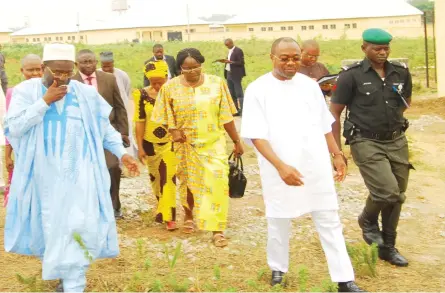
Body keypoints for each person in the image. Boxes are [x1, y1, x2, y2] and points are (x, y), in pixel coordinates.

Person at [3, 43, 140, 292]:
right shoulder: (26, 92)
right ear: (44, 68)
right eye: (57, 72)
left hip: (81, 173)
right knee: (51, 224)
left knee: (79, 223)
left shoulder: (84, 94)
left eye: (67, 72)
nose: (63, 78)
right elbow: (13, 128)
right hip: (43, 175)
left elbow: (105, 129)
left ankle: (75, 282)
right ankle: (63, 273)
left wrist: (123, 154)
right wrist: (44, 102)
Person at [240, 37, 364, 292]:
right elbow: (255, 135)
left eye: (295, 57)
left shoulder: (309, 86)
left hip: (315, 164)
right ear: (272, 57)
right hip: (279, 167)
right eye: (284, 58)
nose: (290, 63)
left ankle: (344, 279)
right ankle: (278, 268)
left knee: (329, 217)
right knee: (279, 219)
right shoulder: (257, 89)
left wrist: (337, 154)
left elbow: (324, 124)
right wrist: (280, 166)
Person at [330, 28, 412, 267]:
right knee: (388, 191)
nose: (382, 52)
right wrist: (337, 152)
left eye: (386, 47)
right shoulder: (350, 76)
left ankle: (388, 246)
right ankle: (367, 220)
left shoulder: (401, 73)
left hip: (396, 139)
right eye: (377, 48)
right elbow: (334, 113)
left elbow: (404, 104)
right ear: (364, 48)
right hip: (365, 140)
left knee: (398, 196)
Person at [152, 48, 244, 247]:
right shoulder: (170, 88)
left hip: (213, 142)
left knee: (217, 182)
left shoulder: (217, 84)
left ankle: (217, 229)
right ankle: (189, 215)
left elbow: (226, 116)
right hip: (185, 145)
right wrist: (173, 130)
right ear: (179, 69)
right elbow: (163, 116)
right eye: (187, 68)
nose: (192, 71)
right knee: (188, 182)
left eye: (196, 67)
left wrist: (236, 140)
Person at [72, 49, 129, 219]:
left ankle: (114, 205)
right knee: (85, 171)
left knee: (112, 167)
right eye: (84, 62)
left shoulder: (108, 79)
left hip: (108, 132)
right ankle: (91, 207)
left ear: (96, 62)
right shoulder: (71, 82)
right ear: (77, 64)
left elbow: (119, 106)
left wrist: (123, 132)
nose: (88, 65)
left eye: (91, 61)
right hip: (81, 134)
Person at [133, 60, 179, 230]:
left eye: (161, 82)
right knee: (155, 178)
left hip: (169, 143)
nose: (158, 86)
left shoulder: (174, 94)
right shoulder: (141, 95)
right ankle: (162, 207)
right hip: (149, 143)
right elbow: (139, 121)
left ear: (168, 77)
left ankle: (169, 217)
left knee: (168, 179)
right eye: (154, 83)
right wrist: (140, 146)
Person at [3, 54, 43, 207]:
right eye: (30, 70)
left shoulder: (48, 90)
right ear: (22, 70)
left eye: (38, 69)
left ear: (44, 69)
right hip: (23, 147)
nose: (34, 73)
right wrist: (7, 156)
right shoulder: (14, 92)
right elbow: (9, 126)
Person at [99, 51, 136, 157]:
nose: (106, 69)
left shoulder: (122, 75)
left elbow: (127, 90)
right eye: (103, 66)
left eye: (109, 66)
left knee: (124, 138)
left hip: (120, 112)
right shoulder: (98, 75)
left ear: (113, 63)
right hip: (105, 115)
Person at [217, 38, 246, 116]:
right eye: (225, 45)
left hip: (236, 74)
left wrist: (230, 62)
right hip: (229, 73)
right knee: (231, 93)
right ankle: (235, 110)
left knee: (239, 93)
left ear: (231, 43)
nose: (227, 46)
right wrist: (225, 61)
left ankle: (243, 111)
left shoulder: (238, 50)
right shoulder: (230, 51)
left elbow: (241, 62)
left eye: (228, 45)